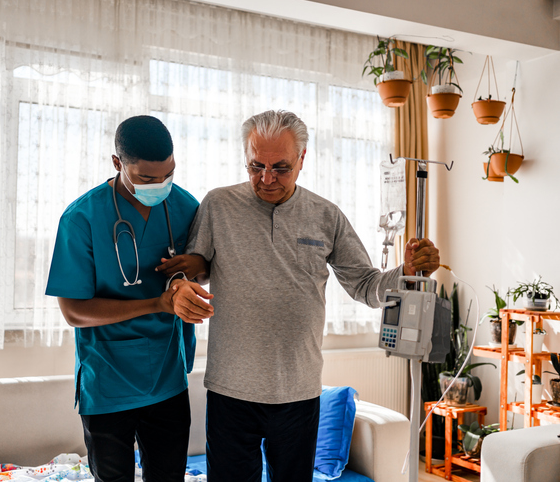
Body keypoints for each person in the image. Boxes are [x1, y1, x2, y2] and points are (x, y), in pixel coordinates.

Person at [159, 110, 440, 482]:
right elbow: (190, 269)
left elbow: (365, 286)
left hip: (299, 394)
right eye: (255, 166)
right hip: (231, 393)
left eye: (281, 167)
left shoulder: (326, 216)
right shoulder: (218, 205)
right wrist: (178, 287)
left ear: (303, 159)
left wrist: (407, 272)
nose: (267, 178)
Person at [45, 115, 210, 482]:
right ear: (118, 164)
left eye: (168, 174)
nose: (161, 185)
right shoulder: (82, 219)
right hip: (108, 380)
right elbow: (73, 311)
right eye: (148, 179)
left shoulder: (185, 207)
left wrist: (193, 271)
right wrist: (157, 303)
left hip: (167, 377)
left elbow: (206, 268)